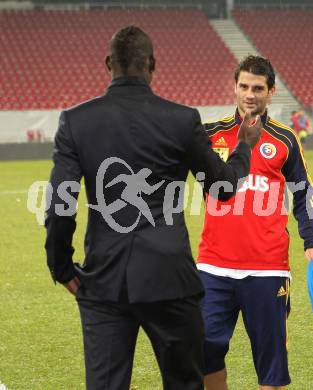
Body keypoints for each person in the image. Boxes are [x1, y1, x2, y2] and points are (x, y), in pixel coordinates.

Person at [44, 26, 263, 390]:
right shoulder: (181, 119)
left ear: (108, 64)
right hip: (170, 279)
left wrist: (61, 266)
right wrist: (244, 146)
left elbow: (60, 203)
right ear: (152, 66)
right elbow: (223, 188)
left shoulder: (76, 121)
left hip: (104, 282)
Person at [197, 55, 313, 389]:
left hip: (268, 268)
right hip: (214, 267)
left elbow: (304, 192)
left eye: (258, 88)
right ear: (235, 88)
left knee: (271, 364)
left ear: (271, 92)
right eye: (243, 86)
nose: (249, 94)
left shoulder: (284, 139)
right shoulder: (211, 134)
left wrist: (312, 243)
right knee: (204, 353)